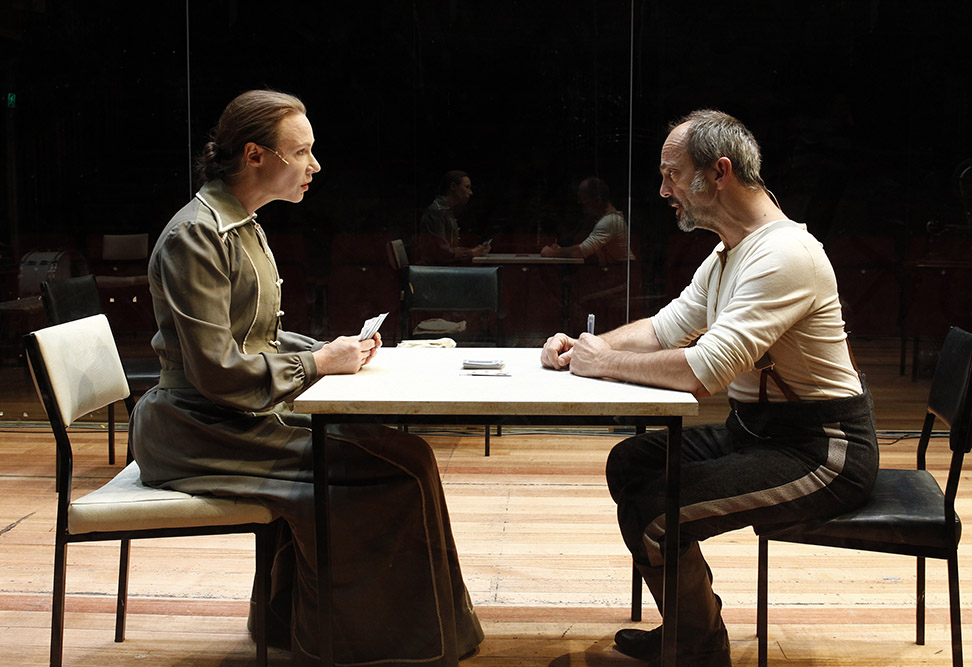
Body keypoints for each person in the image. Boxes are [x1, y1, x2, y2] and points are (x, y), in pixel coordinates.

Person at [129, 90, 483, 666]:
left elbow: (259, 339)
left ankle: (313, 628)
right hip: (197, 429)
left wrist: (332, 349)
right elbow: (218, 372)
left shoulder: (244, 225)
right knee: (392, 469)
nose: (314, 165)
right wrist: (318, 365)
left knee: (408, 454)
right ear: (255, 155)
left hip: (233, 415)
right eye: (303, 151)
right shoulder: (196, 236)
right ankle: (363, 649)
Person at [540, 109, 879, 667]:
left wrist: (604, 364)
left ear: (718, 172)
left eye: (673, 174)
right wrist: (584, 348)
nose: (663, 189)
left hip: (822, 449)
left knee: (656, 512)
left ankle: (699, 654)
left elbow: (705, 370)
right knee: (633, 464)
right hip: (755, 432)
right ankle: (693, 637)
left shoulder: (785, 255)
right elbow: (665, 328)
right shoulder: (729, 252)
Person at [540, 176, 632, 264]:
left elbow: (580, 252)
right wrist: (561, 251)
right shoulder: (607, 219)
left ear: (597, 200)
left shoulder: (610, 221)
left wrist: (552, 253)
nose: (579, 202)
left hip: (622, 275)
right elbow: (593, 254)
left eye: (583, 198)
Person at [414, 170, 491, 264]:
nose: (470, 192)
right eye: (467, 187)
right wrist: (471, 253)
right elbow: (441, 252)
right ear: (453, 186)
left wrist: (474, 251)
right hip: (435, 272)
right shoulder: (437, 211)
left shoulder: (445, 211)